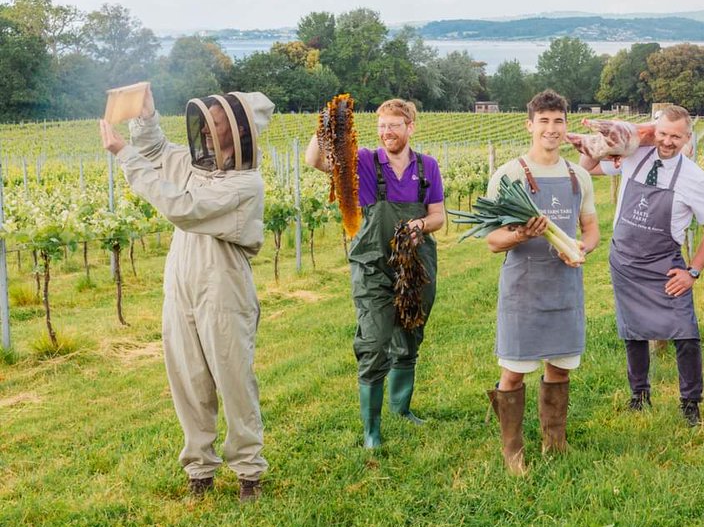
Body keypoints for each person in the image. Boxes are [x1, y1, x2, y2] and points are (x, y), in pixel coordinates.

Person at [99, 85, 275, 502]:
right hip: (181, 278)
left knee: (233, 378)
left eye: (217, 120)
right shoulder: (198, 165)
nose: (208, 126)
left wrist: (124, 156)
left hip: (224, 283)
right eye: (208, 118)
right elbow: (159, 150)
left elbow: (182, 208)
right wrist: (145, 115)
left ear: (237, 131)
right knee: (188, 376)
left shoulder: (244, 184)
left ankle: (248, 472)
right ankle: (200, 468)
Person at [305, 98, 445, 449]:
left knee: (411, 333)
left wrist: (420, 224)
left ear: (410, 127)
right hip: (372, 266)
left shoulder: (427, 167)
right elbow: (316, 160)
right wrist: (324, 124)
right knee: (374, 340)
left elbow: (439, 217)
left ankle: (402, 408)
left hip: (417, 265)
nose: (387, 132)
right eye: (382, 126)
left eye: (394, 125)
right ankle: (371, 430)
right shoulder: (364, 161)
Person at [581, 105, 704, 427]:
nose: (668, 142)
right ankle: (639, 395)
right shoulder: (632, 158)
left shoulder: (695, 179)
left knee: (686, 334)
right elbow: (588, 166)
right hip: (626, 262)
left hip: (664, 266)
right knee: (633, 332)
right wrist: (612, 138)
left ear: (687, 137)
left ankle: (690, 403)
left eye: (676, 136)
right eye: (662, 133)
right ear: (653, 131)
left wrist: (693, 272)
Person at [485, 90, 600, 475]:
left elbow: (591, 229)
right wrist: (522, 234)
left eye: (558, 121)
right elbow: (492, 241)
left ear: (566, 127)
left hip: (564, 284)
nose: (551, 129)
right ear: (530, 125)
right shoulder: (508, 175)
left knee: (560, 366)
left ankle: (555, 441)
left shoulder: (578, 175)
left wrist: (582, 247)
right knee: (514, 370)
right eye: (544, 121)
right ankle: (513, 451)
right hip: (524, 288)